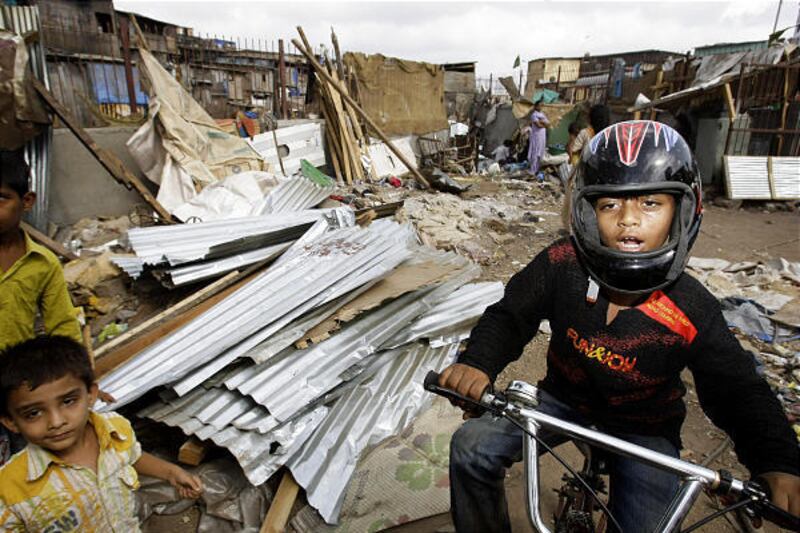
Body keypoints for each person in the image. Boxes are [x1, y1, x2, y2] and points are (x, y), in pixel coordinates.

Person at [440, 120, 800, 533]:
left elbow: (737, 388)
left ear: (682, 211)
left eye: (650, 204)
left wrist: (778, 461)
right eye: (609, 205)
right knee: (470, 447)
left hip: (645, 429)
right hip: (561, 403)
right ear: (588, 213)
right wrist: (478, 361)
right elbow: (510, 315)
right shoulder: (562, 264)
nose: (628, 220)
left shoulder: (692, 306)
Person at [0, 335, 204, 531]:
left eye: (68, 401)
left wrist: (170, 472)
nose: (56, 421)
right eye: (34, 413)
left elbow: (130, 455)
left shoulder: (115, 429)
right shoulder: (9, 490)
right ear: (11, 421)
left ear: (91, 395)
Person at [0, 149, 82, 353]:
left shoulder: (43, 263)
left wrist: (75, 371)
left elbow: (63, 327)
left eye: (1, 198)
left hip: (15, 375)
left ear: (26, 201)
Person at [527, 99, 549, 176]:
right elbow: (538, 125)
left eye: (541, 105)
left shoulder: (543, 114)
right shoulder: (534, 115)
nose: (540, 107)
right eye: (539, 105)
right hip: (536, 136)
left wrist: (542, 122)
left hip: (542, 136)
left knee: (541, 152)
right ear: (536, 106)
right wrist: (543, 123)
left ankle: (537, 169)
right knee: (535, 152)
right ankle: (532, 170)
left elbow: (548, 124)